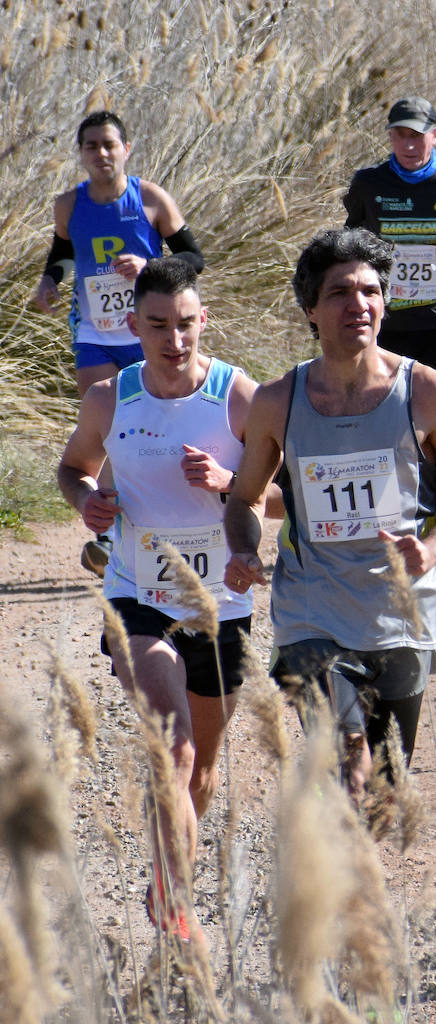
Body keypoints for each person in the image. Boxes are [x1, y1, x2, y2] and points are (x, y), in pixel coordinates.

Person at [223, 228, 436, 803]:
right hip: (312, 611)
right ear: (311, 309)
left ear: (386, 302)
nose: (358, 304)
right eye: (340, 292)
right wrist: (244, 549)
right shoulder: (277, 401)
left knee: (387, 793)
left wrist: (433, 549)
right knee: (349, 759)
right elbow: (243, 499)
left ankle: (352, 881)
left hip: (402, 615)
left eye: (370, 290)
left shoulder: (428, 393)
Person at [56, 258, 259, 945]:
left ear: (205, 322)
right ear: (132, 326)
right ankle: (179, 911)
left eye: (186, 325)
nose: (175, 340)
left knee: (201, 768)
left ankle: (170, 878)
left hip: (221, 606)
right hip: (139, 593)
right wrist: (89, 502)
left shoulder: (239, 399)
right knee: (171, 745)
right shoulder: (112, 399)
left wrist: (232, 482)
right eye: (158, 326)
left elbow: (290, 496)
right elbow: (72, 467)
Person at [33, 110, 206, 576]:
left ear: (126, 149)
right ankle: (108, 537)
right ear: (82, 154)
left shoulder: (149, 198)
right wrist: (50, 283)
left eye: (110, 144)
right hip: (93, 334)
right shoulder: (68, 205)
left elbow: (194, 257)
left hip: (148, 334)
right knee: (109, 426)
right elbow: (65, 256)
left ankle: (169, 515)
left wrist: (148, 268)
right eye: (92, 146)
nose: (102, 153)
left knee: (149, 425)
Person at [343, 96, 436, 381]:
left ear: (435, 135)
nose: (408, 146)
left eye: (417, 136)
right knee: (385, 407)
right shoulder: (368, 183)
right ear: (390, 136)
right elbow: (350, 239)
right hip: (386, 319)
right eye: (400, 136)